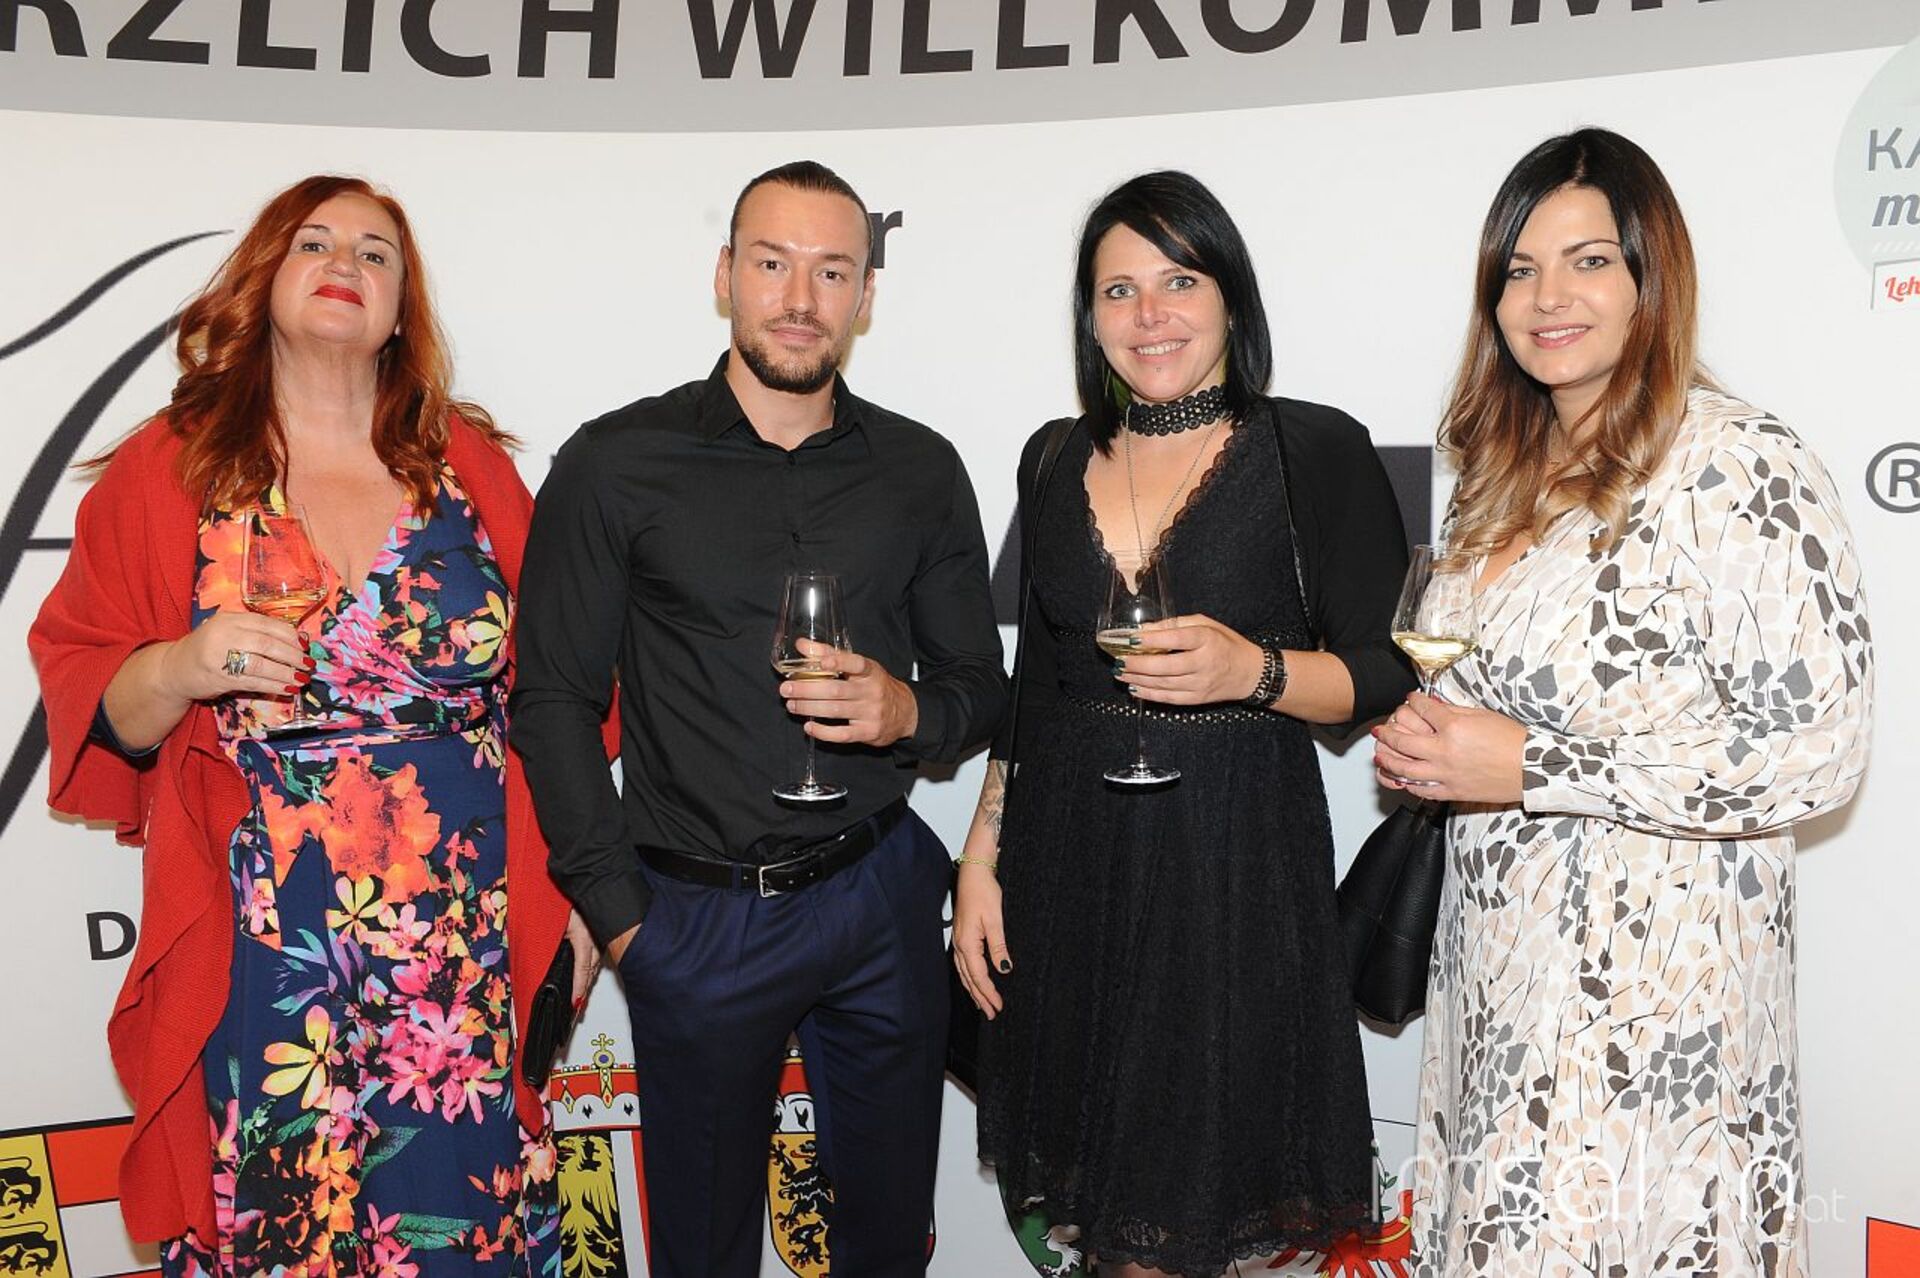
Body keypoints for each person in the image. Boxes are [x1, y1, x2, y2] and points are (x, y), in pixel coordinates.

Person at [29, 174, 598, 1276]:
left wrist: (575, 883)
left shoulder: (468, 468)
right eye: (316, 242)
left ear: (400, 309)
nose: (347, 263)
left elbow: (564, 696)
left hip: (464, 935)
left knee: (462, 1214)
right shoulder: (174, 464)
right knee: (286, 1214)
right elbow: (98, 695)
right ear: (265, 279)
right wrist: (183, 664)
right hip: (272, 929)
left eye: (377, 253)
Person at [1372, 129, 1873, 1277]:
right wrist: (1439, 744)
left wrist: (1532, 766)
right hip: (1501, 982)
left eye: (1589, 261)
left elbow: (1822, 750)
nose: (1548, 297)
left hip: (1657, 1008)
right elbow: (1499, 700)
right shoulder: (1500, 471)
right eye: (1520, 269)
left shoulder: (1736, 466)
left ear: (1653, 278)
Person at [509, 159, 1007, 1278]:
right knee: (704, 1252)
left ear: (867, 296)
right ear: (724, 275)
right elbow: (552, 702)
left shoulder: (920, 469)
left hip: (878, 896)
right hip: (694, 915)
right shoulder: (615, 464)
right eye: (773, 263)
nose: (799, 298)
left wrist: (906, 709)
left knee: (889, 1245)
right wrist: (624, 921)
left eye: (832, 271)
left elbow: (981, 687)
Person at [955, 170, 1414, 1277]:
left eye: (1180, 280)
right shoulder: (1051, 455)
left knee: (1184, 1221)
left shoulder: (1313, 449)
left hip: (1230, 875)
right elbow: (1037, 687)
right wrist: (979, 859)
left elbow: (1386, 670)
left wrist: (1255, 671)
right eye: (1119, 290)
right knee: (1110, 1229)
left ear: (1230, 298)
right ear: (1089, 317)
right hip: (1073, 870)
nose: (1149, 314)